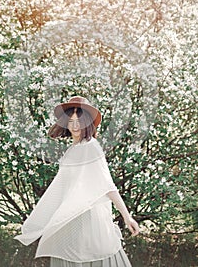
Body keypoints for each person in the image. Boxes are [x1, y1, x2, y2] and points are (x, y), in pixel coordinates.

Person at [15, 96, 140, 266]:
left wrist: (127, 217)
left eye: (79, 121)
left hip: (88, 218)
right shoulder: (74, 149)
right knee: (69, 257)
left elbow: (107, 185)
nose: (75, 125)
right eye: (71, 121)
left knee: (92, 256)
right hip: (71, 217)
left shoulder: (90, 147)